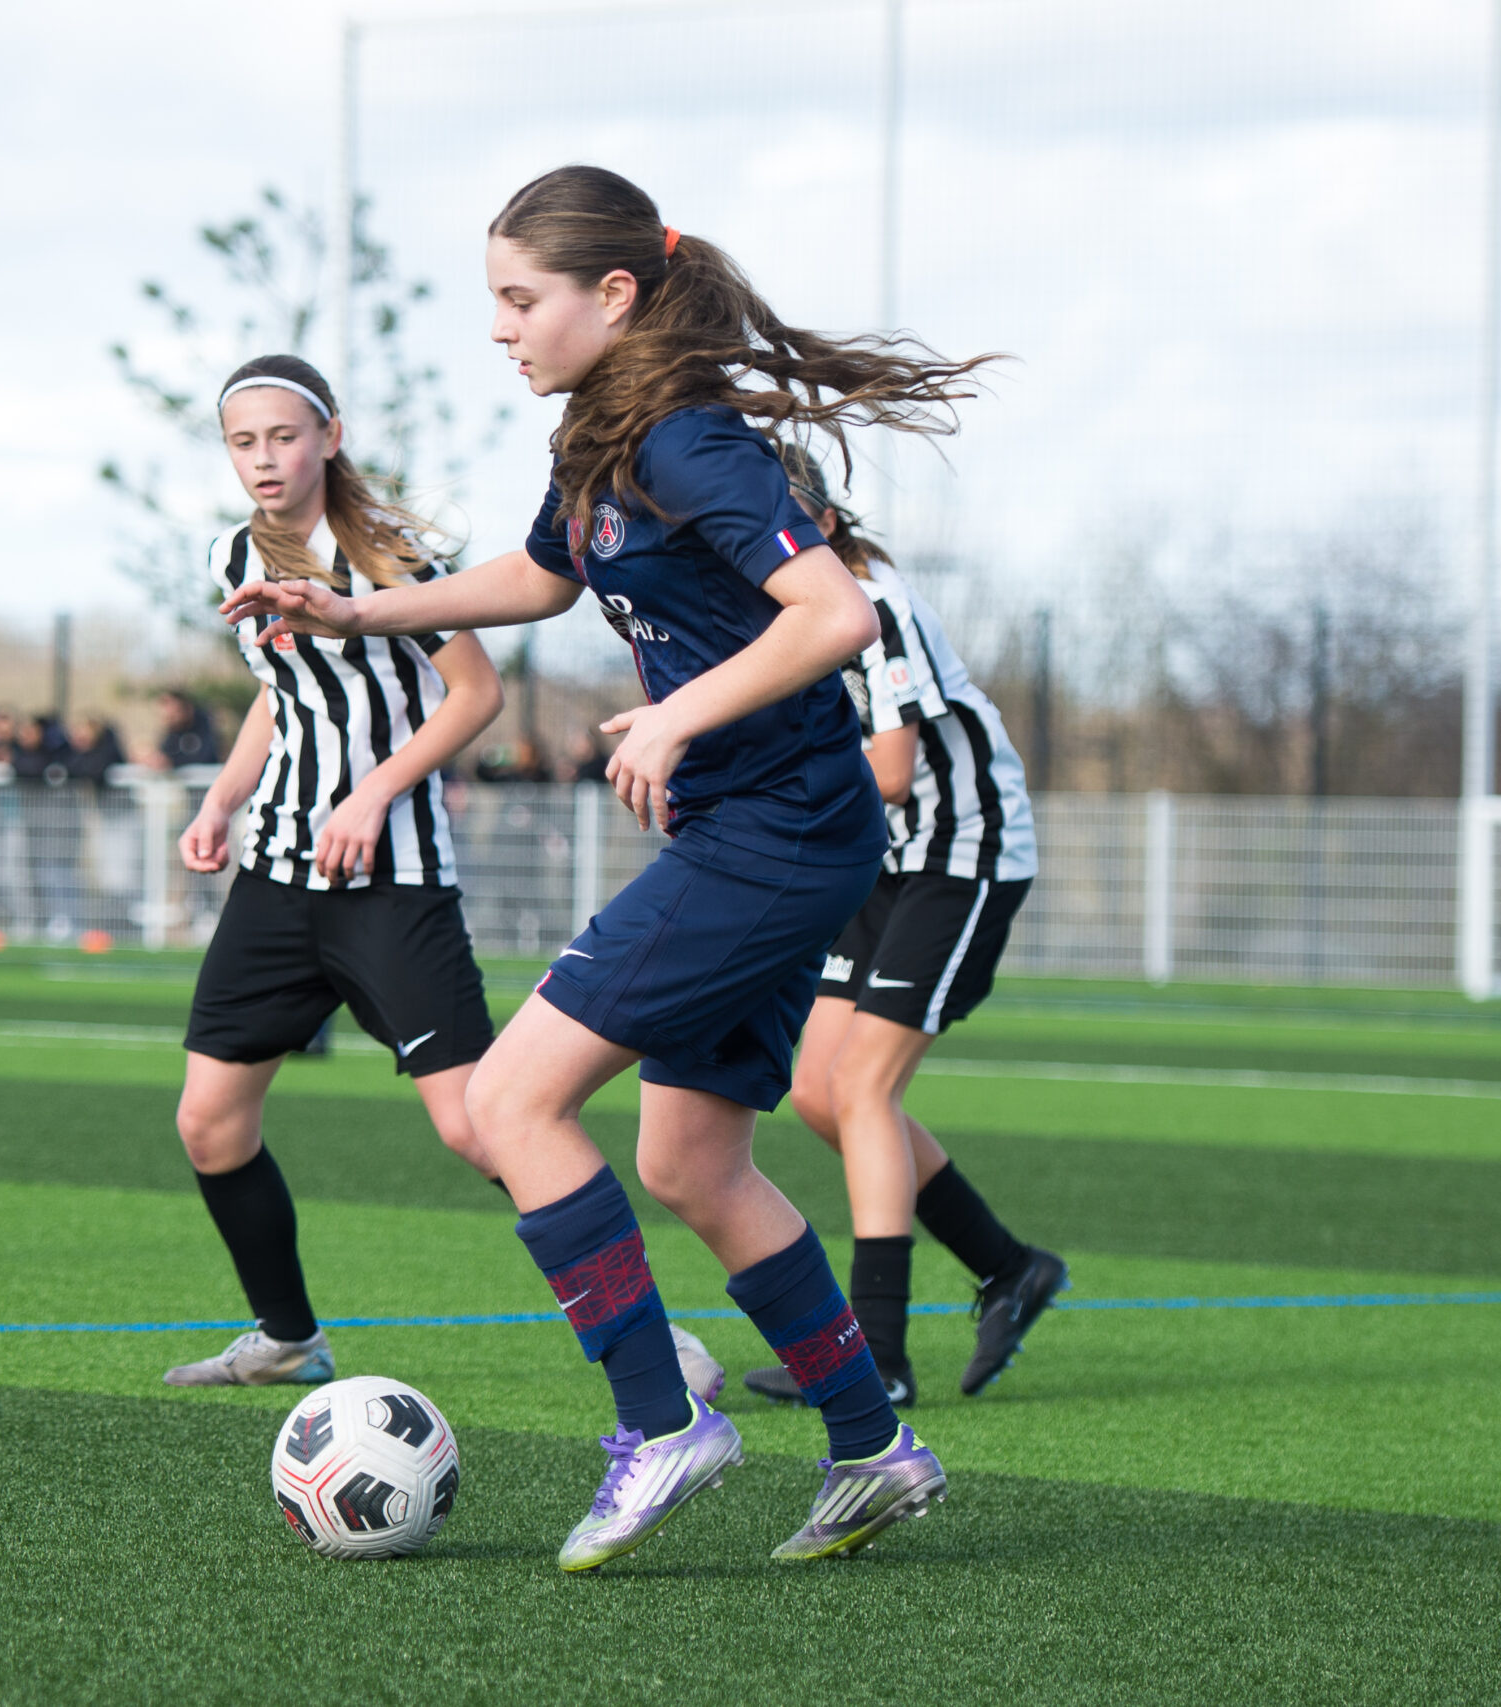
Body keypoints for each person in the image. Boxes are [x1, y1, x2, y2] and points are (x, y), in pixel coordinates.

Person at [221, 167, 994, 1568]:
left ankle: (661, 1420)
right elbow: (537, 579)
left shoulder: (686, 440)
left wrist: (683, 714)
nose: (500, 328)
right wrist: (351, 610)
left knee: (510, 1099)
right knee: (691, 1158)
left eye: (521, 299)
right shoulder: (601, 432)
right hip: (770, 833)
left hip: (777, 833)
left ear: (615, 294)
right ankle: (873, 1445)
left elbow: (833, 613)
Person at [159, 351, 515, 1391]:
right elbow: (284, 693)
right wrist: (222, 800)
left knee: (480, 1125)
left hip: (392, 882)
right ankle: (287, 1338)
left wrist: (374, 793)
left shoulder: (390, 554)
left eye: (283, 436)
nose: (263, 459)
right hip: (277, 875)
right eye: (243, 442)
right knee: (208, 1121)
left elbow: (476, 693)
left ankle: (653, 1335)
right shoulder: (235, 553)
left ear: (330, 438)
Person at [742, 445, 1062, 1408]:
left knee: (865, 1087)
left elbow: (887, 772)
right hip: (887, 862)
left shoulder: (870, 603)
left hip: (962, 854)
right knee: (817, 1092)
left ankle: (876, 1353)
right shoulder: (783, 615)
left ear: (823, 524)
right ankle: (1008, 1266)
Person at [152, 689, 221, 770]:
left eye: (173, 715)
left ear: (187, 709)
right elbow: (164, 753)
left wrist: (172, 762)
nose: (169, 719)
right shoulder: (175, 729)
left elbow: (206, 757)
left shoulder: (204, 725)